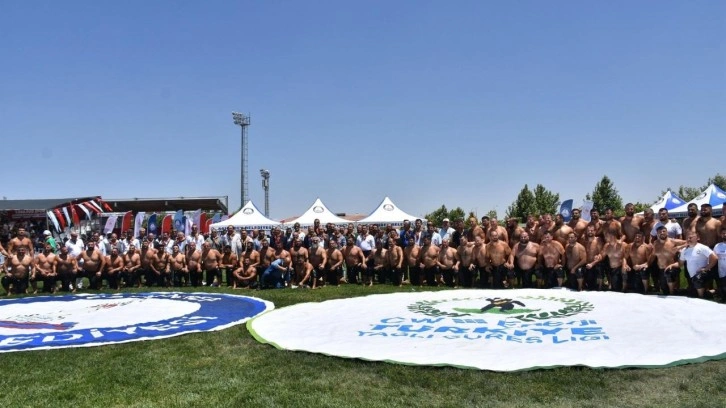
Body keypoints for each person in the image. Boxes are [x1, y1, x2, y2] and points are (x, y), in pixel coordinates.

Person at [645, 226, 686, 295]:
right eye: (660, 232)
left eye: (664, 231)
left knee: (670, 277)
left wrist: (680, 248)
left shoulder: (673, 241)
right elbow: (653, 255)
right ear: (657, 234)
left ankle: (673, 293)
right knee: (664, 290)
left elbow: (687, 242)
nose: (662, 233)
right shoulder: (655, 243)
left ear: (667, 233)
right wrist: (647, 264)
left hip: (672, 269)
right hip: (661, 269)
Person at [680, 231, 718, 298]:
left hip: (703, 275)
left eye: (691, 237)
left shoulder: (702, 247)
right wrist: (671, 265)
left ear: (698, 238)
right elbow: (680, 263)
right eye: (687, 238)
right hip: (692, 277)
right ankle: (713, 291)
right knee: (692, 293)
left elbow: (714, 258)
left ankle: (701, 297)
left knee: (697, 279)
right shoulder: (684, 250)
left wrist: (706, 268)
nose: (689, 239)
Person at [582, 225, 604, 290]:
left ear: (595, 231)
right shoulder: (584, 240)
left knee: (600, 267)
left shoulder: (598, 240)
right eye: (588, 230)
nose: (590, 232)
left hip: (595, 264)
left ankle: (600, 287)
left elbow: (601, 254)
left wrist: (592, 263)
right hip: (586, 264)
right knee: (589, 286)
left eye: (592, 230)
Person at [713, 227, 726, 301]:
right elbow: (713, 258)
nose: (725, 234)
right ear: (721, 235)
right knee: (723, 287)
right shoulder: (717, 246)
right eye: (723, 233)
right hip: (722, 271)